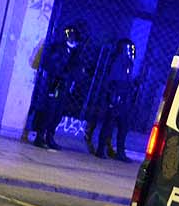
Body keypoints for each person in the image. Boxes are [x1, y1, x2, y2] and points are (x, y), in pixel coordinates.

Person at [29, 23, 86, 151]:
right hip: (55, 83)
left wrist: (72, 76)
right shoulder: (58, 48)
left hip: (64, 85)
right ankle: (40, 136)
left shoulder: (76, 52)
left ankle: (49, 137)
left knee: (58, 112)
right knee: (50, 110)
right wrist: (62, 73)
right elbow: (51, 65)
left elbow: (78, 70)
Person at [91, 38, 137, 161]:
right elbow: (114, 81)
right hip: (117, 97)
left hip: (124, 97)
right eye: (129, 50)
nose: (132, 52)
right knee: (109, 124)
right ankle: (101, 149)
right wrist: (114, 97)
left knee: (123, 126)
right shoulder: (119, 61)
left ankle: (119, 151)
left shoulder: (128, 63)